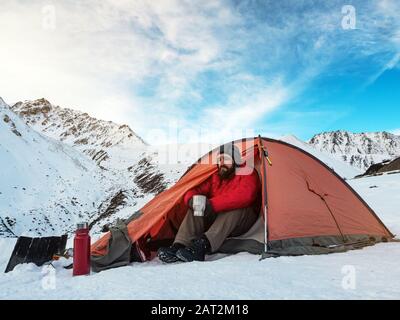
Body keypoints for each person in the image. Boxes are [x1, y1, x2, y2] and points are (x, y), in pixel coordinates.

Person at [157, 143, 261, 263]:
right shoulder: (216, 177)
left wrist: (211, 204)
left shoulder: (247, 172)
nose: (221, 162)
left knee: (236, 207)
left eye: (226, 159)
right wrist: (192, 200)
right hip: (219, 218)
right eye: (219, 159)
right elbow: (193, 189)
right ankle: (179, 246)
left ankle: (203, 245)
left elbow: (245, 196)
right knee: (197, 204)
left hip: (242, 221)